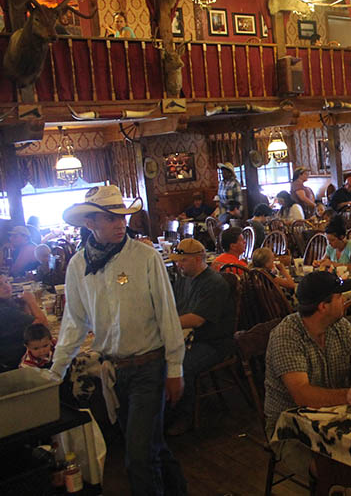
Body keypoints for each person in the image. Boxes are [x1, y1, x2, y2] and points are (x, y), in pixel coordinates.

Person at [52, 185, 186, 495]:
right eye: (110, 218)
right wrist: (56, 372)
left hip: (149, 368)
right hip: (113, 373)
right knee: (152, 446)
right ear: (90, 224)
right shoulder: (78, 265)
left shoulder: (145, 257)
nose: (119, 224)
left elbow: (167, 314)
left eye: (122, 217)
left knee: (138, 457)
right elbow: (74, 322)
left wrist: (175, 367)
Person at [262, 270, 351, 447]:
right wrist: (347, 395)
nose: (344, 300)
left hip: (337, 418)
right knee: (338, 467)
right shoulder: (287, 336)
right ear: (323, 306)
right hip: (292, 429)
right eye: (339, 296)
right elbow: (302, 395)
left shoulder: (339, 325)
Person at [167, 238, 235, 436]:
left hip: (214, 342)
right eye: (178, 261)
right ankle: (165, 412)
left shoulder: (214, 283)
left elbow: (197, 320)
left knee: (180, 365)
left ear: (198, 259)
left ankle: (184, 417)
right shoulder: (184, 279)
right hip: (189, 337)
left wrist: (164, 324)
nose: (178, 265)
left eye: (183, 261)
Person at [0, 274, 47, 371]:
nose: (6, 286)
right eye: (0, 284)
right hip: (16, 364)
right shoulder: (4, 311)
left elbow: (27, 323)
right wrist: (31, 301)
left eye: (6, 282)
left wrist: (25, 304)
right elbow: (41, 327)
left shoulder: (6, 302)